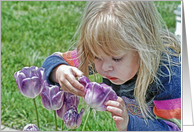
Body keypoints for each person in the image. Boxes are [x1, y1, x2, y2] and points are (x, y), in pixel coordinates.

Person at [42, 1, 181, 131]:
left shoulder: (168, 73)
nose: (105, 67)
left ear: (142, 47)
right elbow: (53, 61)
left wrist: (129, 123)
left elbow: (177, 127)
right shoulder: (106, 51)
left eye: (117, 58)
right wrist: (59, 70)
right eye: (96, 56)